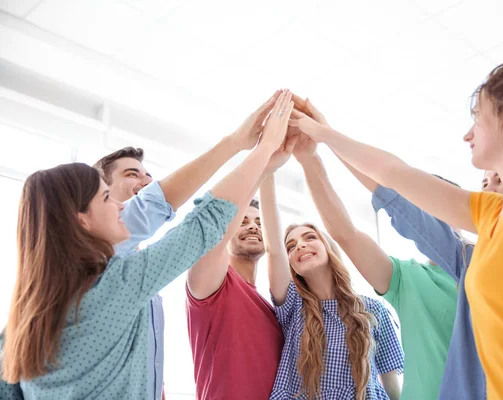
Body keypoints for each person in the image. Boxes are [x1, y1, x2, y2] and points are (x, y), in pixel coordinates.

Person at [289, 52, 503, 399]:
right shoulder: (491, 212)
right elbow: (393, 175)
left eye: (477, 119)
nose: (469, 135)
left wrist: (324, 134)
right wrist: (324, 134)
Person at [0, 89, 294, 399]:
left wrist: (237, 143)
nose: (123, 206)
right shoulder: (116, 286)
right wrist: (264, 152)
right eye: (106, 198)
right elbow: (204, 223)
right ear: (82, 220)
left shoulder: (21, 325)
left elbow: (153, 207)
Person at [91, 89, 284, 400]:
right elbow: (194, 220)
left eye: (149, 176)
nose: (148, 184)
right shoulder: (98, 264)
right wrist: (256, 152)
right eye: (132, 174)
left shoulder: (144, 275)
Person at [260, 148, 404, 399]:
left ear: (328, 248)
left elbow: (393, 387)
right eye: (291, 246)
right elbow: (273, 249)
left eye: (309, 237)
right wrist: (268, 167)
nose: (300, 246)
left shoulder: (374, 310)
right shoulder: (293, 306)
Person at [185, 90, 297, 399]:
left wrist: (270, 170)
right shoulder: (209, 285)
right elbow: (218, 228)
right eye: (244, 220)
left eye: (259, 223)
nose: (252, 226)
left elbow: (277, 250)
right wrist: (262, 153)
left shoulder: (272, 306)